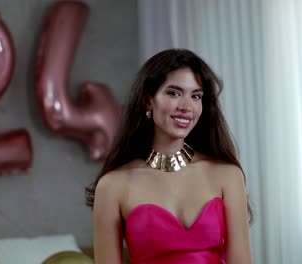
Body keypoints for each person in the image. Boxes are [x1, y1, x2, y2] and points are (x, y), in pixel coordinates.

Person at [85, 49, 252, 264]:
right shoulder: (113, 186)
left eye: (196, 96)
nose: (186, 106)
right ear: (147, 100)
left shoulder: (227, 175)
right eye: (174, 93)